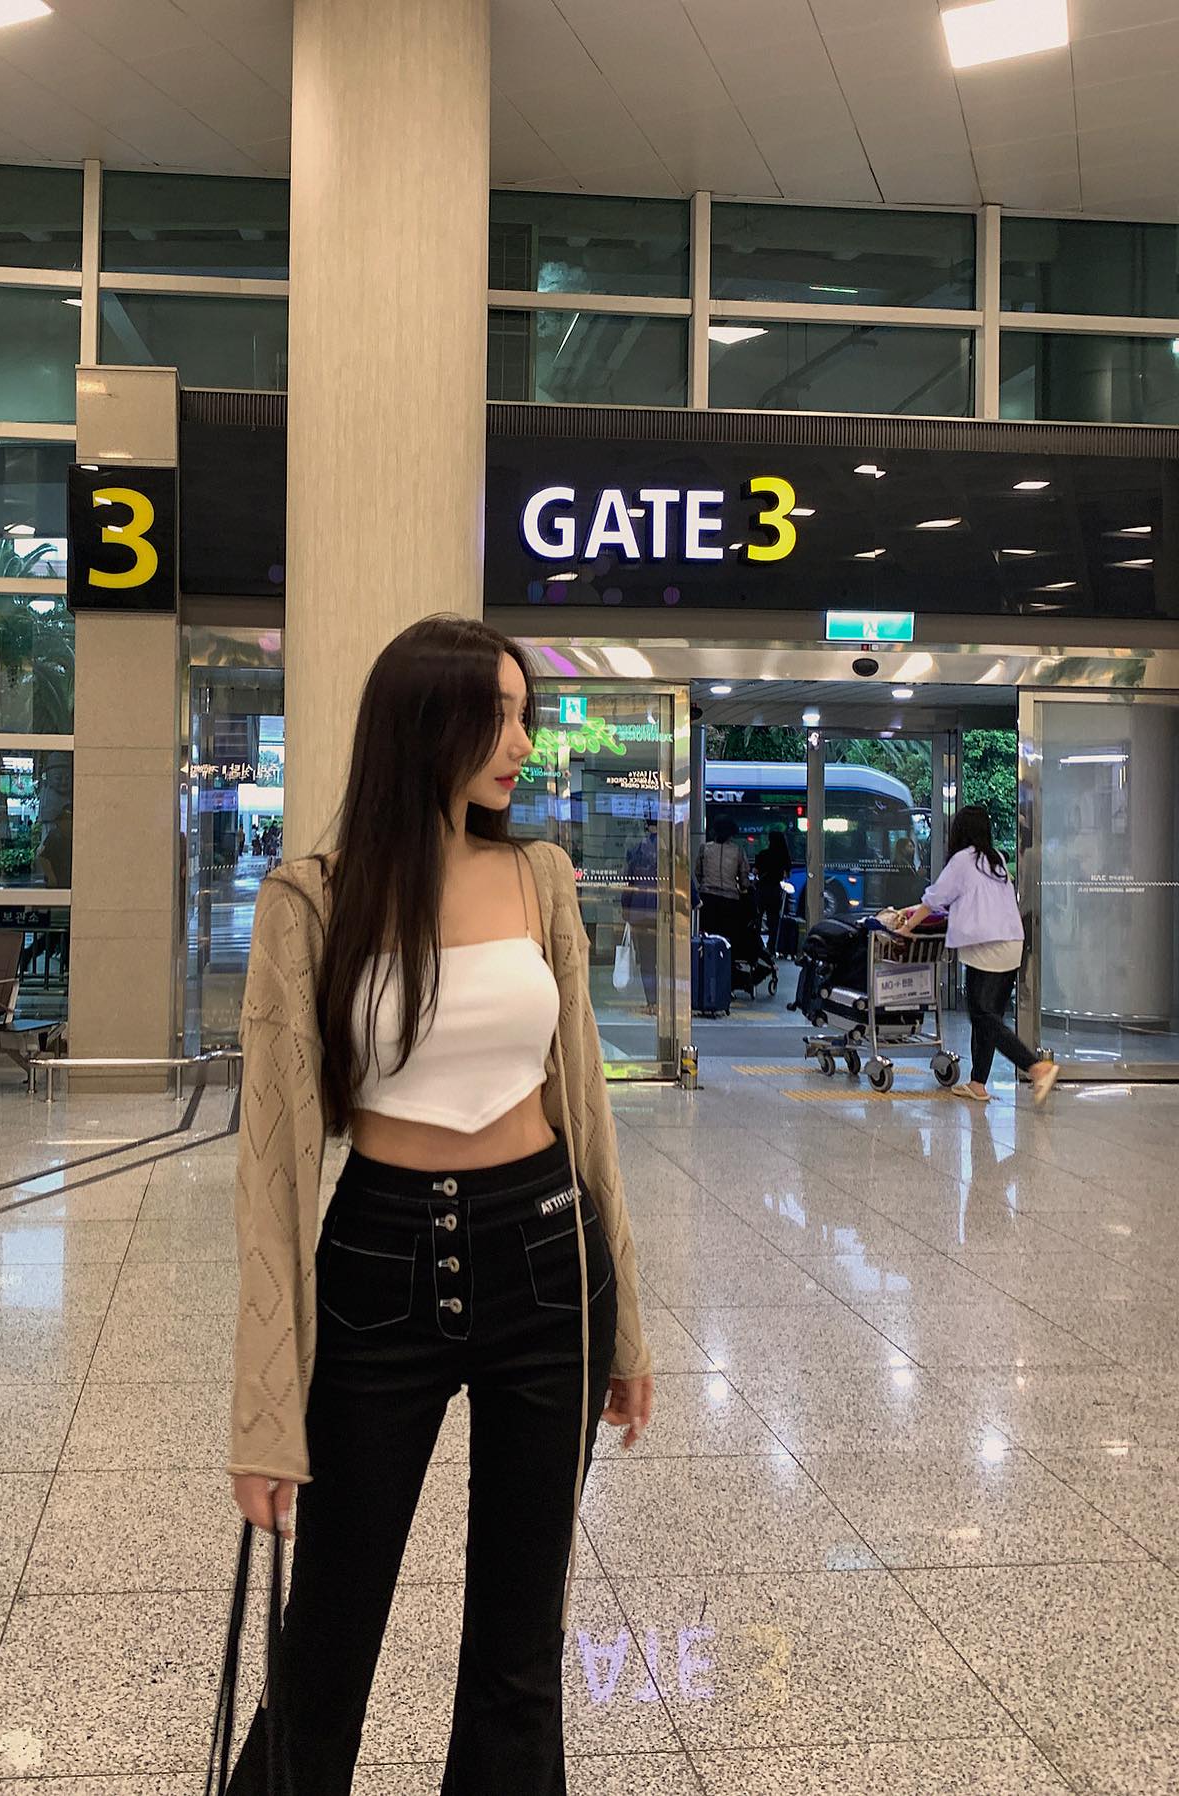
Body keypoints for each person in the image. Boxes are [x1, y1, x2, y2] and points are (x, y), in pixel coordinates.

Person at [226, 615, 654, 1796]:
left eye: (525, 715)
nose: (522, 742)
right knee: (328, 1635)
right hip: (379, 1263)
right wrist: (263, 1409)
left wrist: (626, 1322)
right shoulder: (311, 899)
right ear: (423, 727)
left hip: (548, 1259)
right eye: (496, 716)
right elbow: (273, 1169)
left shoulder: (541, 876)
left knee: (520, 1645)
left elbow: (586, 1110)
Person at [900, 804, 1059, 1106]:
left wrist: (908, 927)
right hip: (1011, 943)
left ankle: (1035, 1066)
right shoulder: (996, 859)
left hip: (986, 946)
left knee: (981, 1015)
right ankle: (977, 1083)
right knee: (989, 1015)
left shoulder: (963, 859)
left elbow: (935, 898)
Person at [620, 814, 659, 1014]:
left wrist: (626, 908)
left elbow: (628, 883)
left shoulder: (635, 850)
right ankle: (668, 1001)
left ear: (646, 826)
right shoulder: (669, 849)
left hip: (639, 910)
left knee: (647, 958)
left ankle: (652, 1001)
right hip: (662, 910)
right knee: (667, 959)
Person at [753, 828, 792, 955]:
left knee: (757, 918)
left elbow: (755, 871)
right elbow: (787, 875)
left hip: (762, 889)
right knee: (773, 920)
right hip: (775, 890)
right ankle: (772, 946)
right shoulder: (784, 856)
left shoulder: (763, 854)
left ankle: (757, 944)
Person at [36, 804, 73, 888]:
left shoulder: (74, 838)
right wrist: (51, 876)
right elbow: (43, 857)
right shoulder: (54, 836)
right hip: (57, 882)